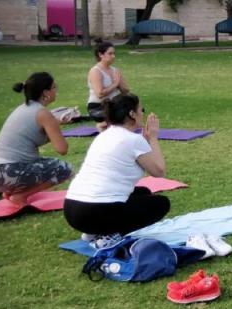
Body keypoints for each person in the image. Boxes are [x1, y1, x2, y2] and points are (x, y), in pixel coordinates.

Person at [64, 93, 169, 240]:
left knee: (143, 192)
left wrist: (147, 141)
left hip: (71, 209)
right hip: (95, 211)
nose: (142, 114)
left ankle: (94, 231)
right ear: (132, 114)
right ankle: (108, 235)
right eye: (141, 110)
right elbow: (159, 171)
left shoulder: (105, 135)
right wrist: (153, 138)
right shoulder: (133, 139)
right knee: (161, 204)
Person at [0, 73, 73, 206]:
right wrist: (55, 124)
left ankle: (11, 190)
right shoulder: (43, 113)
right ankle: (20, 196)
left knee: (40, 163)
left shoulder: (23, 108)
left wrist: (55, 124)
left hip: (0, 172)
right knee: (65, 168)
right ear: (46, 92)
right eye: (54, 87)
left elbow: (33, 135)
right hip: (8, 172)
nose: (56, 91)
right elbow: (62, 149)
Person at [87, 41, 129, 121]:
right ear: (100, 55)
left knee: (136, 109)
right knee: (122, 115)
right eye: (110, 54)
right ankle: (102, 125)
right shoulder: (95, 71)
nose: (113, 56)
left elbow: (126, 91)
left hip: (115, 104)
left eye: (114, 53)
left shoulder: (115, 70)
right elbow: (100, 93)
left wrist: (120, 84)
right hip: (99, 105)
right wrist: (115, 84)